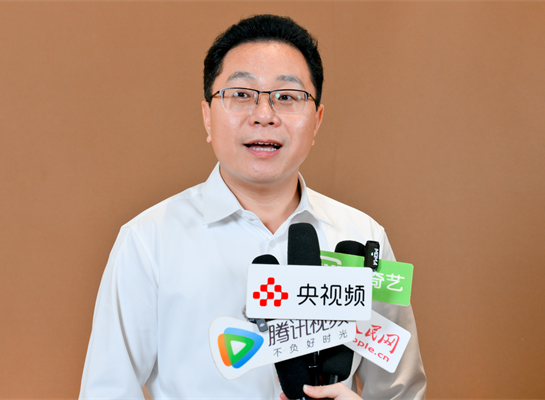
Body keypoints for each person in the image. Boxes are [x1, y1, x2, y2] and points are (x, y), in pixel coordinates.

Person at [79, 14, 426, 400]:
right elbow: (107, 391)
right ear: (207, 116)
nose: (264, 115)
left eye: (287, 97)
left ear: (316, 121)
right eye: (241, 94)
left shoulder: (363, 237)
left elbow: (400, 391)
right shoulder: (147, 240)